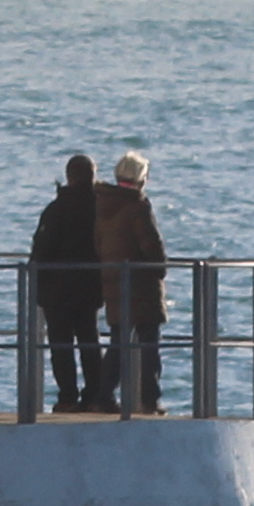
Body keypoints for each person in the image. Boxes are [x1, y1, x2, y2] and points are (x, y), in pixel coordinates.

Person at [29, 152, 110, 413]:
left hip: (58, 291)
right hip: (90, 288)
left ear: (69, 177)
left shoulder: (57, 210)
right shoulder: (100, 209)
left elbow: (41, 251)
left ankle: (67, 397)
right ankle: (94, 395)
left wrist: (38, 285)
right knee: (90, 341)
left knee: (61, 346)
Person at [90, 149, 170, 414]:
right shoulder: (138, 207)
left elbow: (100, 245)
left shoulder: (103, 205)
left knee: (117, 345)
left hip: (113, 283)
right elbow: (153, 250)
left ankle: (103, 396)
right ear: (141, 179)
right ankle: (149, 401)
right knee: (149, 348)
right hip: (141, 287)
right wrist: (160, 268)